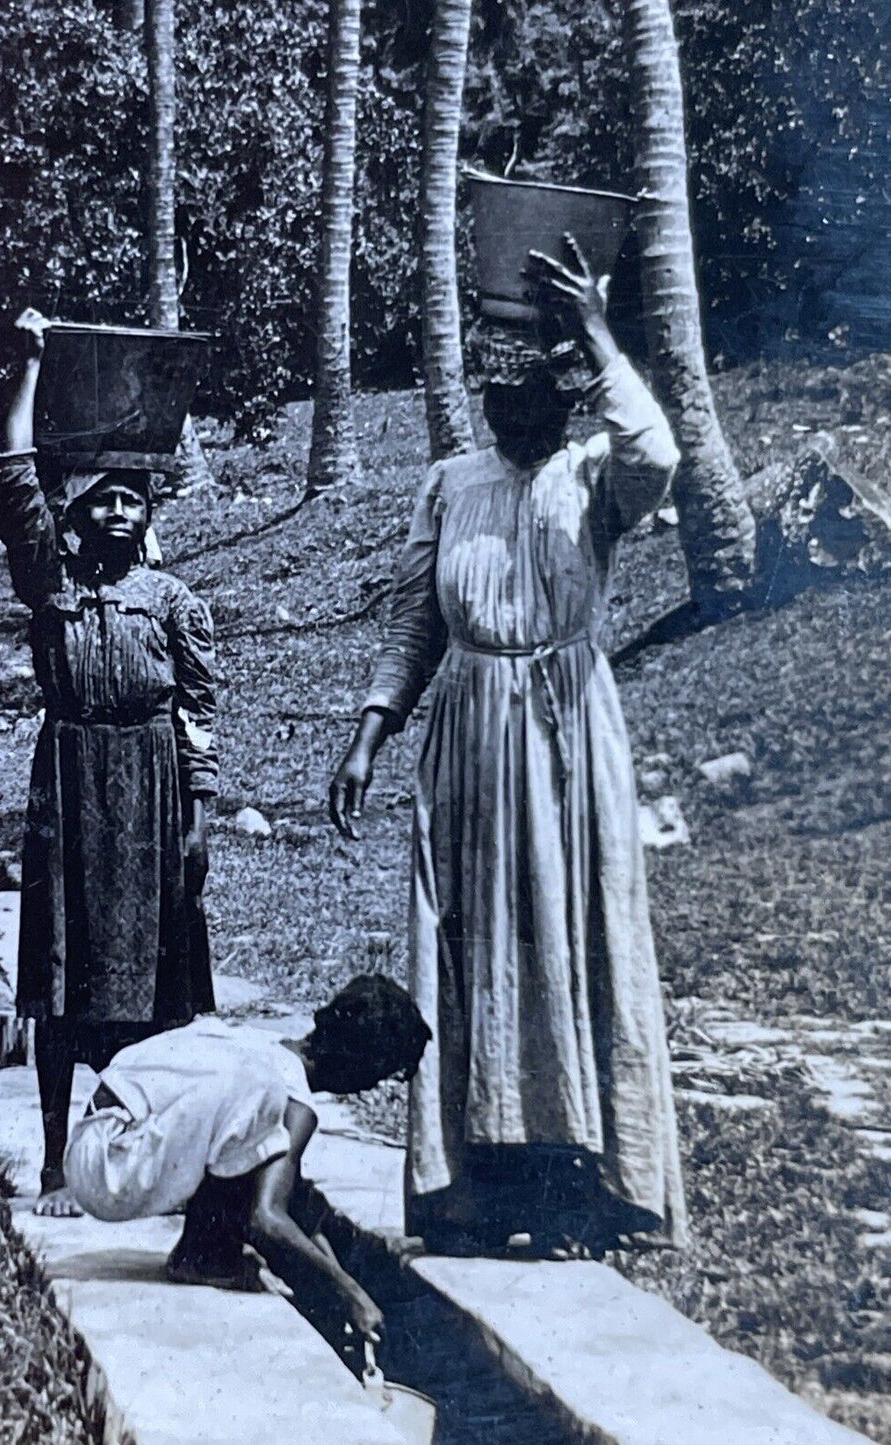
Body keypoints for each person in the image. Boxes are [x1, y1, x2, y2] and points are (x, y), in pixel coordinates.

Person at [329, 236, 688, 1258]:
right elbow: (413, 622)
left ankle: (581, 1179)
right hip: (467, 740)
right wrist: (369, 733)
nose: (509, 408)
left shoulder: (593, 476)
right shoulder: (448, 484)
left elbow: (657, 454)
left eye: (531, 392)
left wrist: (595, 332)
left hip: (567, 721)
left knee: (570, 933)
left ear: (565, 399)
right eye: (495, 391)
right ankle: (478, 1180)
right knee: (475, 942)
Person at [0, 307, 217, 1218]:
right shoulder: (52, 582)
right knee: (58, 974)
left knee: (156, 985)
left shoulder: (172, 601)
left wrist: (198, 809)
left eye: (134, 499)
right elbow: (13, 480)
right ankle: (54, 1165)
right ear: (78, 513)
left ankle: (147, 1164)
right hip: (72, 777)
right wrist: (34, 363)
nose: (119, 511)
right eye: (103, 499)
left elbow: (198, 710)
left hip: (155, 782)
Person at [65, 973, 430, 1346]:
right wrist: (350, 1294)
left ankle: (208, 1253)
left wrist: (330, 1270)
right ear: (360, 1066)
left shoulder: (259, 1043)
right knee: (256, 1145)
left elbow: (291, 1195)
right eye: (379, 1076)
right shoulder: (292, 1102)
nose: (369, 1089)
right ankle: (200, 1257)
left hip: (92, 1143)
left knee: (263, 1153)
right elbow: (267, 1217)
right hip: (113, 1175)